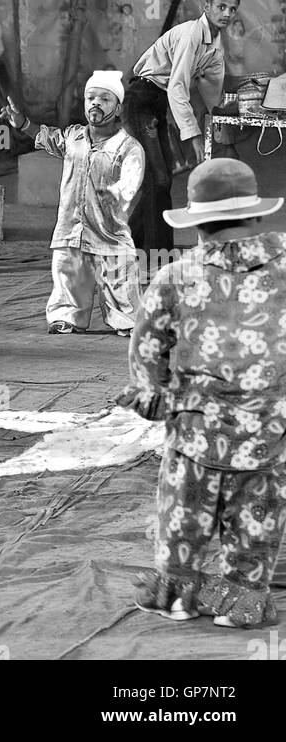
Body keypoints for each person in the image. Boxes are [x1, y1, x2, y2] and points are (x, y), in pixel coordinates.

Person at [125, 159, 286, 628]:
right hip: (268, 432)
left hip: (195, 430)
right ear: (257, 215)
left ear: (196, 223)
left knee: (184, 513)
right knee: (257, 518)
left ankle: (180, 594)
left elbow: (147, 351)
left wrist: (151, 397)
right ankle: (243, 600)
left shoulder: (174, 278)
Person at [1, 72, 145, 336]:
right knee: (67, 274)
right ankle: (66, 317)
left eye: (104, 98)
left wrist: (117, 194)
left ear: (118, 107)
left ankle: (126, 320)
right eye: (91, 98)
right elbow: (46, 137)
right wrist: (21, 123)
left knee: (119, 282)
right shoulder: (73, 137)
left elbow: (131, 181)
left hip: (108, 231)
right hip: (70, 229)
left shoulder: (128, 147)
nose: (95, 104)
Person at [124, 0, 240, 255]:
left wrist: (223, 132)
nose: (226, 13)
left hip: (158, 103)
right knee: (158, 179)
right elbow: (177, 86)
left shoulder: (215, 47)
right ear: (207, 7)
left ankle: (127, 243)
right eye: (221, 7)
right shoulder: (191, 34)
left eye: (232, 9)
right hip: (141, 98)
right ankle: (157, 255)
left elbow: (212, 92)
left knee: (160, 180)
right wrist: (194, 135)